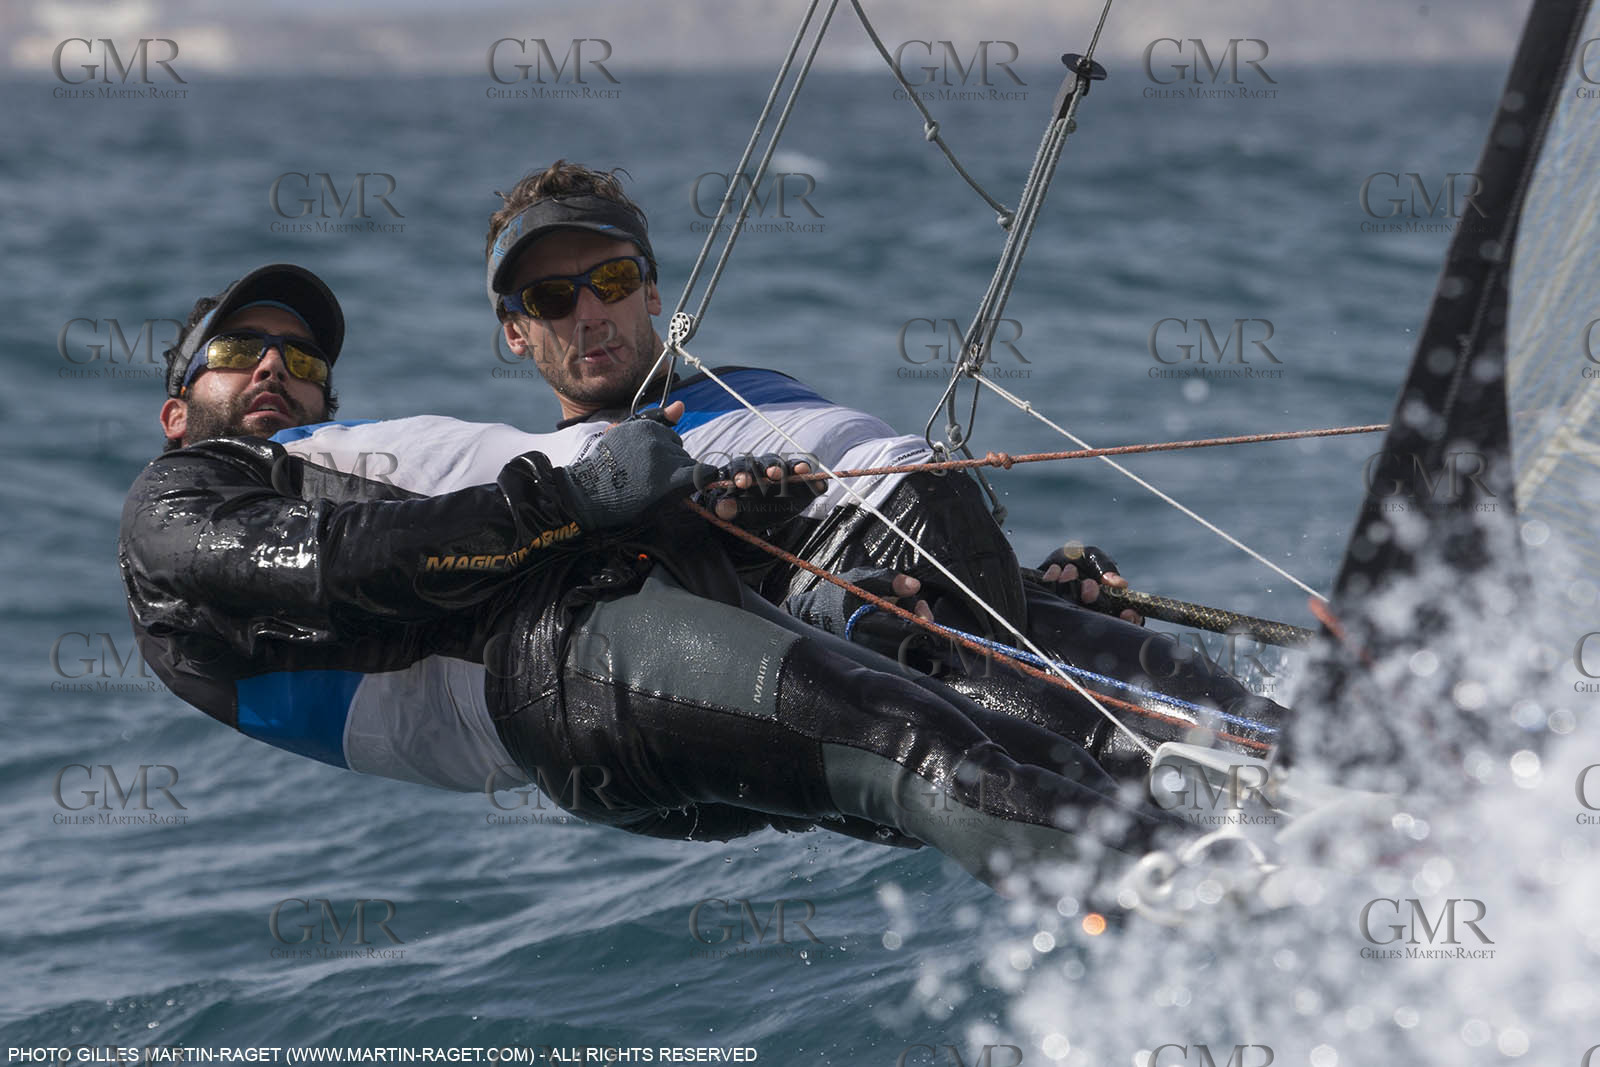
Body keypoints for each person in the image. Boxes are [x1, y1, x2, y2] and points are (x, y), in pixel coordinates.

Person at [120, 262, 1186, 894]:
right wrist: (571, 497)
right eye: (239, 351)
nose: (275, 365)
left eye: (303, 359)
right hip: (568, 674)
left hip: (640, 659)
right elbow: (350, 565)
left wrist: (760, 541)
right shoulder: (175, 506)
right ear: (176, 411)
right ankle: (1195, 887)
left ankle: (1196, 837)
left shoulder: (351, 463)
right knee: (914, 742)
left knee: (986, 740)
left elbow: (487, 550)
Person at [481, 161, 1287, 768]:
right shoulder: (569, 474)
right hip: (872, 606)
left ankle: (1346, 755)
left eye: (612, 280)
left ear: (651, 292)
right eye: (551, 299)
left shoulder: (754, 382)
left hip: (956, 556)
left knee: (1211, 696)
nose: (590, 312)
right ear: (515, 332)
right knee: (1137, 750)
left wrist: (1031, 580)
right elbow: (666, 623)